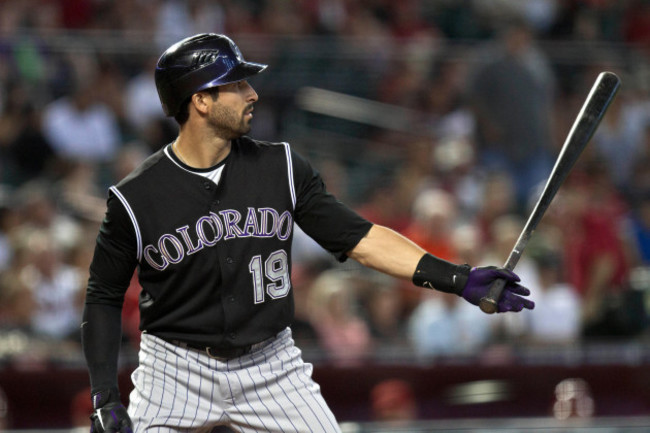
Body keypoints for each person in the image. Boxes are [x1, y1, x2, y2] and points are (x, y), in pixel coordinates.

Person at [81, 33, 534, 433]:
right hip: (174, 367)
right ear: (201, 100)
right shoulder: (135, 196)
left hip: (270, 364)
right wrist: (104, 393)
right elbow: (103, 295)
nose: (252, 93)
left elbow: (360, 237)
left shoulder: (280, 166)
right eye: (237, 84)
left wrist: (457, 277)